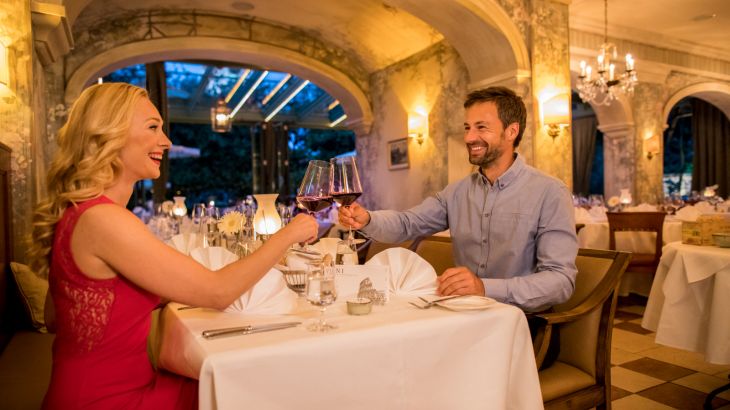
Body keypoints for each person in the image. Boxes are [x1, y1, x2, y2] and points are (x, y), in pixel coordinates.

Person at [28, 83, 318, 409]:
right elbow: (218, 292)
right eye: (152, 127)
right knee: (264, 387)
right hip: (110, 400)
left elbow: (56, 317)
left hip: (99, 388)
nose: (166, 142)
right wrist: (289, 234)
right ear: (108, 134)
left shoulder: (79, 213)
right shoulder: (104, 220)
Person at [339, 86, 578, 313]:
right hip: (462, 316)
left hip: (523, 322)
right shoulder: (456, 192)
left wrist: (484, 288)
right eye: (467, 127)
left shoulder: (550, 192)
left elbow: (560, 281)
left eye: (481, 127)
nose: (469, 137)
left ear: (511, 131)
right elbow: (407, 224)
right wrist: (367, 219)